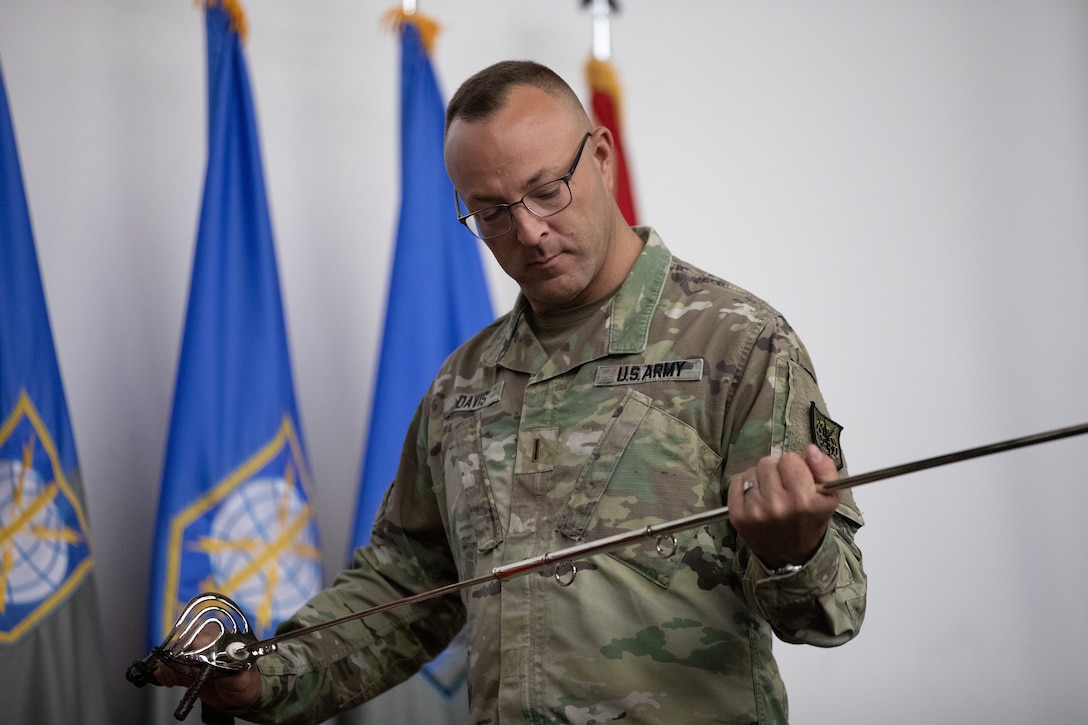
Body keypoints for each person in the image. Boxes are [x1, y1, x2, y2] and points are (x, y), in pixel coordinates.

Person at [155, 59, 866, 723]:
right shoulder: (463, 384)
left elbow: (831, 613)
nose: (529, 230)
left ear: (602, 158)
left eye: (546, 190)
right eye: (491, 211)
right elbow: (408, 584)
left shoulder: (739, 344)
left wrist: (792, 550)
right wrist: (264, 676)